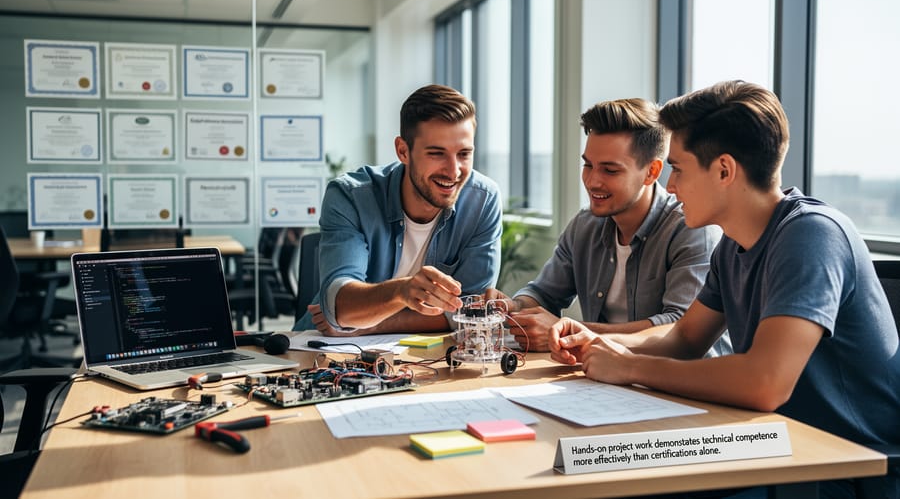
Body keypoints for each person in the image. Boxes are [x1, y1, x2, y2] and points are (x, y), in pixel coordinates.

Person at [549, 80, 899, 497]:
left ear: (724, 170)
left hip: (841, 466)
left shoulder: (811, 236)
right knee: (587, 468)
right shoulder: (734, 242)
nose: (671, 187)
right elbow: (685, 336)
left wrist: (630, 367)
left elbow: (765, 383)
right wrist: (600, 343)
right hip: (776, 444)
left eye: (677, 169)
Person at [486, 98, 727, 355]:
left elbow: (677, 327)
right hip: (606, 379)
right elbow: (544, 293)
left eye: (610, 171)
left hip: (680, 386)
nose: (592, 181)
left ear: (652, 172)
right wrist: (514, 306)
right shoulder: (585, 226)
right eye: (588, 165)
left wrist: (571, 331)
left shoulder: (691, 229)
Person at [293, 84, 502, 335]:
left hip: (421, 359)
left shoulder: (483, 201)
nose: (453, 171)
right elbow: (340, 307)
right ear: (403, 150)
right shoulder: (350, 196)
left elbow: (471, 313)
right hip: (322, 351)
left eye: (464, 154)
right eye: (437, 153)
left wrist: (373, 323)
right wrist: (402, 292)